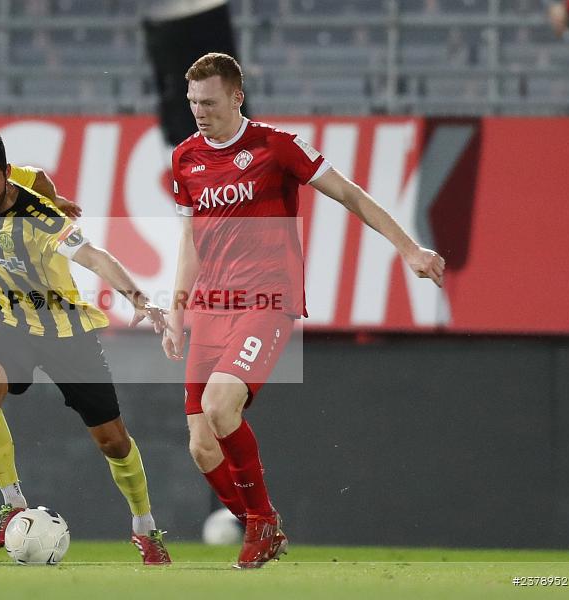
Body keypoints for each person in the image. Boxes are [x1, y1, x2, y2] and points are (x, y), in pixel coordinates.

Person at [162, 53, 446, 569]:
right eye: (192, 102)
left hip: (266, 300)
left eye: (207, 101)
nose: (198, 111)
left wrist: (408, 249)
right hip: (211, 305)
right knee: (202, 447)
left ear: (235, 97)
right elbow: (189, 241)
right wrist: (178, 310)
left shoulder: (277, 146)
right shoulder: (185, 157)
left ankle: (262, 523)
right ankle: (260, 526)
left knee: (222, 406)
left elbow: (350, 195)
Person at [0, 130, 172, 565]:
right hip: (6, 321)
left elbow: (93, 256)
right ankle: (13, 501)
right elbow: (37, 176)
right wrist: (59, 194)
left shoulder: (40, 220)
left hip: (63, 328)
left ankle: (145, 526)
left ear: (3, 173)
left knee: (112, 440)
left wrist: (139, 298)